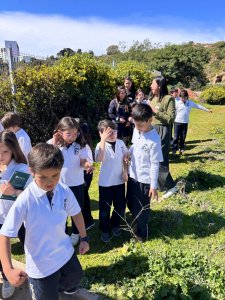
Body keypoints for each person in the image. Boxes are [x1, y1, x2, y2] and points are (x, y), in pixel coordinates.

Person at [0, 143, 89, 300]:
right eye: (43, 177)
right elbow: (5, 234)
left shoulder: (64, 190)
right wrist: (8, 269)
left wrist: (84, 238)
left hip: (65, 253)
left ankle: (60, 286)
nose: (50, 182)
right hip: (41, 266)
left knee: (75, 276)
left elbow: (76, 213)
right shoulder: (25, 200)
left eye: (55, 175)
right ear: (32, 172)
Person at [49, 117, 93, 246]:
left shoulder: (80, 146)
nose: (73, 137)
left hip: (76, 184)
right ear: (59, 132)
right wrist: (53, 143)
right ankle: (62, 232)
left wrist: (87, 165)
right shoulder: (52, 145)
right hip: (58, 185)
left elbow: (82, 161)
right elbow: (45, 159)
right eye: (69, 134)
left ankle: (75, 232)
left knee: (76, 209)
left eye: (76, 133)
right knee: (59, 210)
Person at [0, 130, 32, 299]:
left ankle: (38, 274)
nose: (1, 156)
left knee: (30, 244)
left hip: (19, 216)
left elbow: (31, 195)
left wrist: (14, 192)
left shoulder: (21, 169)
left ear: (13, 150)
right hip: (0, 216)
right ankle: (6, 276)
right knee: (1, 251)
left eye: (5, 151)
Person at [126, 104, 163, 242]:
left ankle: (142, 232)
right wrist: (128, 152)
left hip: (145, 180)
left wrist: (153, 186)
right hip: (133, 175)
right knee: (130, 202)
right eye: (135, 125)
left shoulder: (154, 140)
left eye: (140, 125)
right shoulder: (137, 131)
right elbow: (134, 145)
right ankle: (137, 221)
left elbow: (155, 164)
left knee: (142, 209)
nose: (137, 128)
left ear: (150, 120)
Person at [95, 120, 128, 243]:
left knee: (120, 206)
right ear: (101, 134)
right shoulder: (100, 145)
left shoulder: (120, 143)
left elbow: (126, 159)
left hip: (119, 181)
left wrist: (125, 171)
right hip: (106, 183)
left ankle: (115, 224)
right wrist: (103, 140)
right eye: (109, 132)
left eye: (114, 131)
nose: (113, 134)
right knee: (104, 209)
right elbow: (100, 158)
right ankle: (104, 229)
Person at [149, 76, 177, 199]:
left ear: (159, 85)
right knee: (152, 159)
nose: (150, 86)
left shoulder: (169, 99)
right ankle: (161, 185)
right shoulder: (153, 98)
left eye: (152, 84)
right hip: (151, 129)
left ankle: (170, 187)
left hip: (162, 130)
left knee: (160, 158)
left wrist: (156, 113)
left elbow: (171, 119)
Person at [172, 89, 212, 154]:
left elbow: (198, 106)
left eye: (184, 98)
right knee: (176, 136)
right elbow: (171, 110)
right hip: (177, 122)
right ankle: (174, 149)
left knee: (183, 136)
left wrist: (207, 110)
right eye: (181, 98)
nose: (182, 99)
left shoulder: (190, 103)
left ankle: (181, 148)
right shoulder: (177, 103)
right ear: (179, 97)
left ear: (187, 97)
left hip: (185, 122)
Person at [80, 122, 95, 230]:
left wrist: (87, 165)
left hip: (85, 174)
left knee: (83, 196)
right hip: (80, 174)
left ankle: (88, 220)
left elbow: (89, 162)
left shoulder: (85, 146)